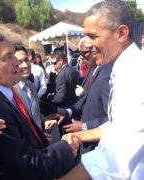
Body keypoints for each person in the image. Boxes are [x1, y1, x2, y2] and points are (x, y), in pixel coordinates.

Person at [0, 30, 80, 180]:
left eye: (14, 54)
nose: (17, 62)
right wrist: (65, 148)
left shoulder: (4, 93)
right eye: (8, 57)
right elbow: (21, 167)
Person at [57, 0, 144, 179]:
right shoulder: (122, 70)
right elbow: (118, 126)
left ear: (121, 33)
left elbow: (116, 159)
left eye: (93, 36)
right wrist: (80, 135)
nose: (88, 44)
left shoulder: (134, 76)